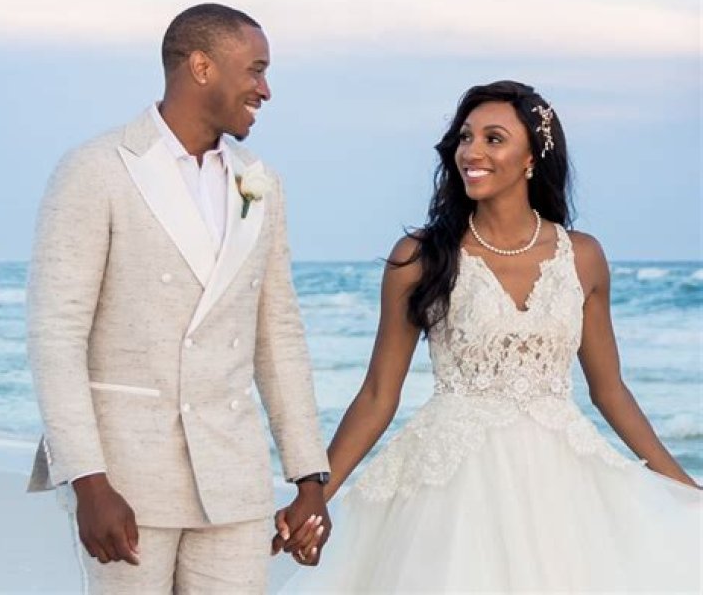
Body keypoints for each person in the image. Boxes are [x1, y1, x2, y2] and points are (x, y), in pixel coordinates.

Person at [274, 80, 701, 592]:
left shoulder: (583, 256)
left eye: (493, 139)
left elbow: (610, 390)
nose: (471, 152)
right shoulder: (421, 256)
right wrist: (316, 495)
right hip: (450, 486)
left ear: (532, 157)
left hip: (560, 484)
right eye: (465, 137)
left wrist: (682, 487)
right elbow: (378, 395)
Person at [26, 3, 331, 594]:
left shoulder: (259, 182)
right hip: (126, 475)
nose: (265, 90)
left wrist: (308, 478)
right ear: (201, 67)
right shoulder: (96, 169)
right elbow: (56, 335)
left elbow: (278, 335)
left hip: (235, 478)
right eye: (255, 70)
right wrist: (88, 481)